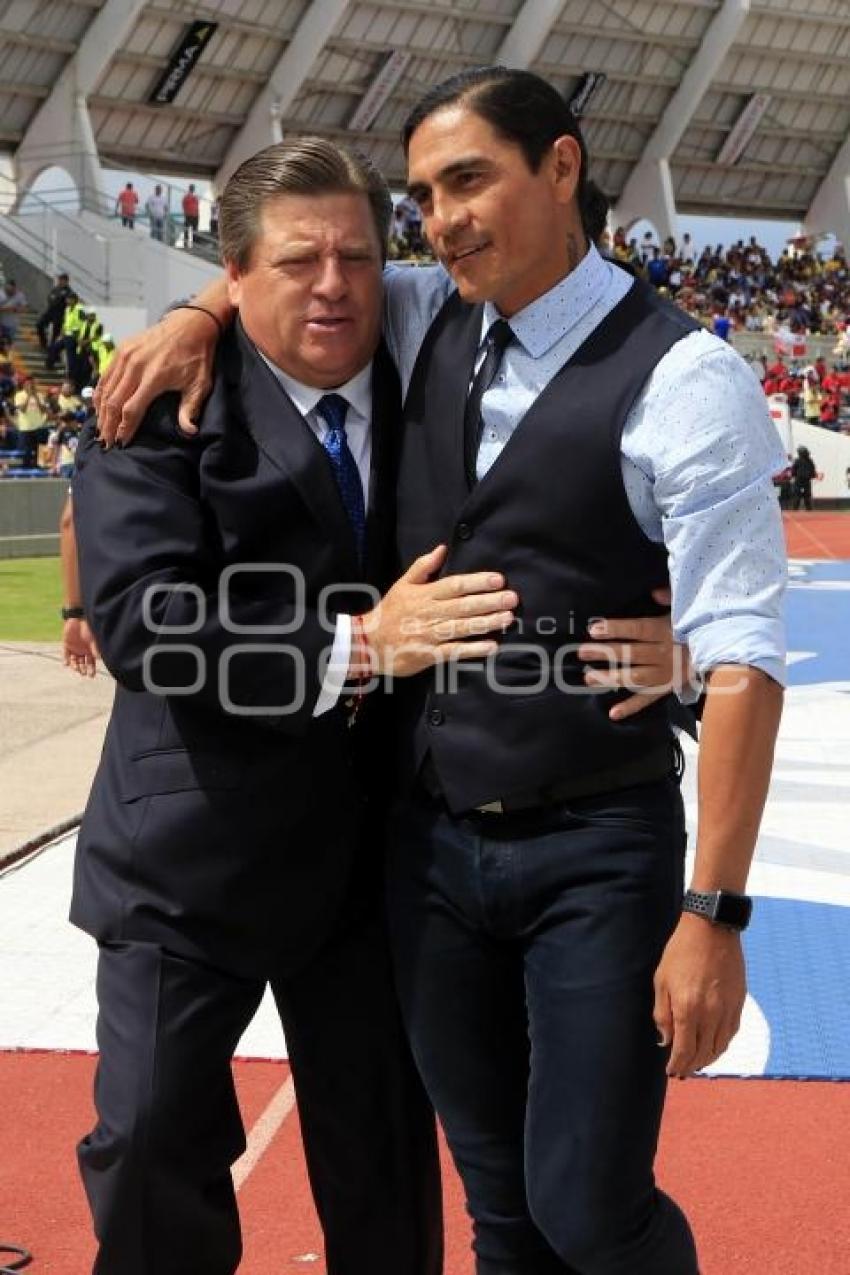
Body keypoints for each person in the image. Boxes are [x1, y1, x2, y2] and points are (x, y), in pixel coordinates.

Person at [91, 69, 783, 1275]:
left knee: (547, 1198)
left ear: (560, 169)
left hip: (529, 844)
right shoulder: (374, 329)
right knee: (471, 1200)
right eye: (426, 194)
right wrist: (195, 318)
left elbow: (741, 651)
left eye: (468, 180)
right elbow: (297, 264)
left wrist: (713, 904)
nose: (438, 222)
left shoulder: (656, 371)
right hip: (329, 851)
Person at [70, 136, 542, 1275]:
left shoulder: (436, 373)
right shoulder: (159, 402)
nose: (333, 284)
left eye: (356, 257)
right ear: (233, 278)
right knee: (147, 1145)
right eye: (297, 262)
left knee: (382, 1164)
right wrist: (360, 646)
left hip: (373, 866)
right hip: (186, 861)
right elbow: (144, 625)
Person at [36, 272, 72, 349]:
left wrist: (57, 299)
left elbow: (66, 302)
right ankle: (43, 343)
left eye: (62, 280)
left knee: (55, 333)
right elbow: (50, 298)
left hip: (60, 313)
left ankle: (52, 350)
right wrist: (56, 299)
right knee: (39, 324)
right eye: (59, 280)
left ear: (66, 281)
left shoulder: (69, 291)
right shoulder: (56, 288)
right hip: (50, 311)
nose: (60, 281)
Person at [791, 444, 817, 510]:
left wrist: (793, 475)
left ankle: (795, 510)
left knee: (798, 497)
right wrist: (812, 476)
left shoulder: (798, 461)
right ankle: (808, 510)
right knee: (806, 497)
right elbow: (812, 470)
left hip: (799, 481)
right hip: (805, 481)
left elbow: (793, 471)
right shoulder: (809, 461)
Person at [181, 182, 200, 248]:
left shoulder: (195, 197)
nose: (192, 189)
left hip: (195, 215)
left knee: (195, 230)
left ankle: (194, 245)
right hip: (188, 215)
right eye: (191, 188)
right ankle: (186, 244)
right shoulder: (186, 196)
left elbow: (197, 206)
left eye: (193, 188)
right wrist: (186, 212)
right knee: (186, 230)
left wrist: (198, 214)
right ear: (190, 188)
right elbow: (183, 205)